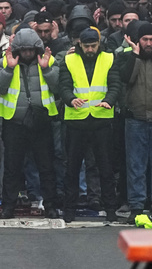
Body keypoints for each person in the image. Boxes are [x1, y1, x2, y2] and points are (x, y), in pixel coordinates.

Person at [0, 28, 59, 219]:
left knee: (46, 167)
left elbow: (58, 87)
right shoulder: (4, 62)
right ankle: (8, 206)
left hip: (41, 120)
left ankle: (51, 205)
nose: (28, 53)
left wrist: (46, 69)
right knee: (12, 167)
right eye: (24, 50)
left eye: (31, 49)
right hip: (15, 122)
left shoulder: (49, 61)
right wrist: (9, 69)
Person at [59, 27, 121, 223]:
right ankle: (69, 209)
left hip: (101, 119)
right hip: (77, 120)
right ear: (80, 44)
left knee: (106, 168)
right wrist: (70, 99)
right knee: (72, 168)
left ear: (99, 43)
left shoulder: (109, 58)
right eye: (87, 46)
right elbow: (64, 86)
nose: (90, 49)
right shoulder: (69, 60)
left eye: (93, 46)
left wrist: (109, 100)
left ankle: (110, 208)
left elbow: (115, 84)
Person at [117, 21, 152, 223]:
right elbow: (127, 78)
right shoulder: (126, 57)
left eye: (151, 40)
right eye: (145, 39)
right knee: (136, 166)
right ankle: (137, 206)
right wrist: (136, 56)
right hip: (136, 119)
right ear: (138, 40)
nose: (149, 43)